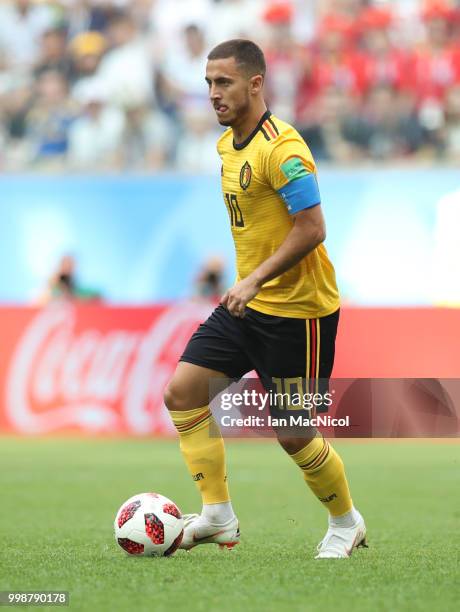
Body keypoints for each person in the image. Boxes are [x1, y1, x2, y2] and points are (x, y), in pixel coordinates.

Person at [164, 39, 367, 559]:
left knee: (295, 433)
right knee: (183, 393)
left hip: (299, 313)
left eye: (224, 82)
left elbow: (313, 228)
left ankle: (346, 523)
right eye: (209, 82)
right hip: (245, 307)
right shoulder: (226, 146)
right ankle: (217, 517)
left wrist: (254, 279)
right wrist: (242, 281)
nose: (213, 93)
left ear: (256, 84)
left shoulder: (285, 149)